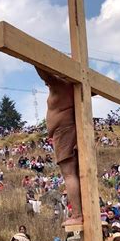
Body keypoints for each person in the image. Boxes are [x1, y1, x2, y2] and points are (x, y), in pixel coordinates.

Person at [36, 68, 81, 226]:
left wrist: (32, 59)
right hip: (69, 130)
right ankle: (79, 212)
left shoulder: (59, 83)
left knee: (68, 174)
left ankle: (77, 214)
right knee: (74, 172)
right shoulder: (73, 85)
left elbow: (45, 73)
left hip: (63, 131)